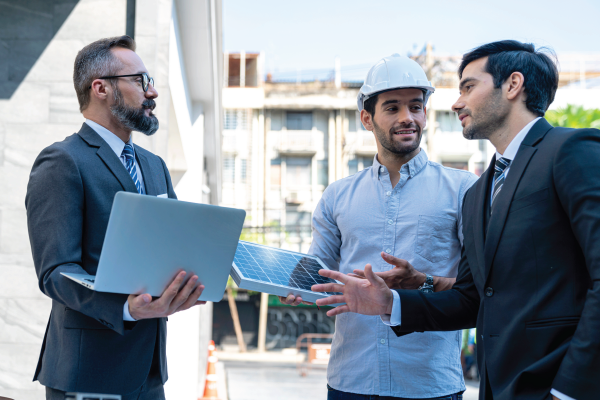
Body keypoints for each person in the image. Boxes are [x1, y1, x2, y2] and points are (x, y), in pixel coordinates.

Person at [313, 40, 600, 400]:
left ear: (512, 85)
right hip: (498, 387)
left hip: (552, 385)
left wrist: (570, 392)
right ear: (367, 118)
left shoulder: (568, 151)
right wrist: (390, 303)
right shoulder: (483, 191)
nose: (456, 102)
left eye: (467, 87)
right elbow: (474, 297)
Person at [282, 54, 478, 399]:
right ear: (366, 119)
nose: (407, 118)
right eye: (392, 108)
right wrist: (291, 281)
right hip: (351, 380)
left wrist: (424, 282)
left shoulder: (463, 190)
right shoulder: (337, 196)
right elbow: (319, 271)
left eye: (416, 107)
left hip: (429, 384)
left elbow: (478, 290)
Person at [26, 36, 205, 400]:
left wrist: (189, 278)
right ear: (101, 88)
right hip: (88, 374)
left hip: (150, 374)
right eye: (140, 80)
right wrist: (125, 308)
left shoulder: (154, 166)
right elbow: (56, 272)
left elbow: (171, 248)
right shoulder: (62, 162)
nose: (152, 92)